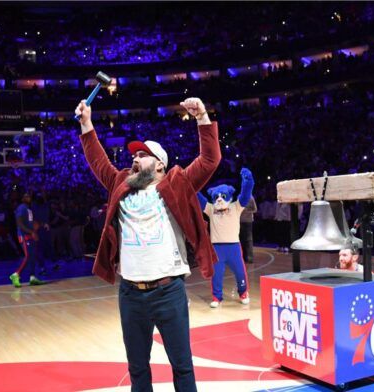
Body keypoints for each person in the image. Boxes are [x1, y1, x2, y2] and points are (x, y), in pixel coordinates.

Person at [76, 97, 220, 391]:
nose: (135, 158)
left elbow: (209, 161)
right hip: (130, 293)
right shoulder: (121, 184)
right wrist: (86, 123)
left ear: (159, 165)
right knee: (138, 369)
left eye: (142, 154)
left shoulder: (177, 184)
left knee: (182, 366)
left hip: (168, 291)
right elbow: (98, 162)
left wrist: (202, 117)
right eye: (134, 155)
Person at [197, 168, 254, 308]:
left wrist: (248, 181)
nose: (219, 199)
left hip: (233, 247)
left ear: (228, 196)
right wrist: (192, 185)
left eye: (222, 196)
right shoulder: (211, 209)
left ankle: (243, 292)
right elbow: (198, 198)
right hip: (216, 248)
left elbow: (245, 195)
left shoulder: (236, 207)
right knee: (216, 275)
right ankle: (217, 297)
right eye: (216, 197)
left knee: (240, 272)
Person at [9, 193, 44, 288]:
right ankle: (16, 274)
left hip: (30, 235)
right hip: (24, 236)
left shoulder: (29, 209)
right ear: (22, 198)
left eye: (29, 196)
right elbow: (19, 223)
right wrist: (31, 232)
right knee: (28, 256)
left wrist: (41, 225)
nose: (28, 197)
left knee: (32, 256)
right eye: (26, 196)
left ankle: (32, 277)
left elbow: (32, 223)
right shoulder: (21, 207)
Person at [239, 195, 257, 264]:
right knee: (241, 239)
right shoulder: (239, 197)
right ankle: (243, 257)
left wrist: (247, 211)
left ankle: (249, 258)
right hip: (240, 221)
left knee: (249, 239)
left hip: (248, 221)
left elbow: (255, 209)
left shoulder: (251, 197)